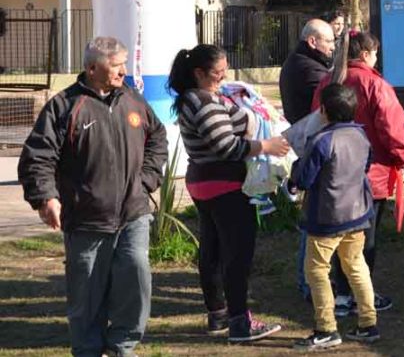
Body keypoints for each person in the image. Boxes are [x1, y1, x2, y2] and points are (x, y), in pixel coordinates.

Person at [18, 37, 167, 357]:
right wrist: (46, 197)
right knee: (86, 294)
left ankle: (123, 347)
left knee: (136, 281)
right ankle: (87, 349)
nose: (123, 72)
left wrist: (147, 179)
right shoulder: (64, 106)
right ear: (91, 68)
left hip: (133, 215)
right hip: (86, 219)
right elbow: (38, 157)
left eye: (124, 64)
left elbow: (158, 137)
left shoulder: (133, 100)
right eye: (116, 66)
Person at [170, 44, 291, 342]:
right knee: (236, 255)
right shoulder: (204, 102)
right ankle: (240, 322)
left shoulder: (194, 98)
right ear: (198, 73)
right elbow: (225, 147)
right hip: (224, 183)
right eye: (217, 74)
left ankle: (218, 313)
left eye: (225, 71)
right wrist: (266, 146)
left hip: (203, 181)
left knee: (212, 250)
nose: (222, 79)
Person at [312, 31, 404, 313]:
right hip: (370, 173)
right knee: (365, 240)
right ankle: (360, 295)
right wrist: (399, 156)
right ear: (366, 54)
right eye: (375, 53)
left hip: (332, 173)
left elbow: (313, 123)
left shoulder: (328, 82)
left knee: (336, 237)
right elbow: (392, 129)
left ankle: (342, 294)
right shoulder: (375, 84)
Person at [291, 83, 381, 350]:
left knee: (317, 270)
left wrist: (292, 178)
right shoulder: (361, 136)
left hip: (326, 217)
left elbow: (304, 178)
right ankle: (368, 323)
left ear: (323, 111)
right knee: (356, 266)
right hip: (357, 213)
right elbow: (366, 166)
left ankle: (326, 328)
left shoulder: (321, 140)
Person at [280, 18, 336, 123]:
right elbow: (334, 103)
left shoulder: (298, 59)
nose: (333, 47)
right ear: (312, 41)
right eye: (328, 41)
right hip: (308, 133)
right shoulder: (311, 69)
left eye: (333, 41)